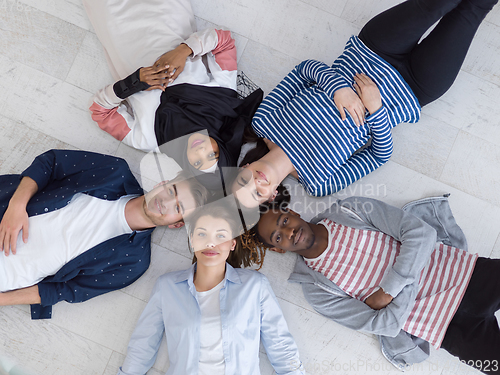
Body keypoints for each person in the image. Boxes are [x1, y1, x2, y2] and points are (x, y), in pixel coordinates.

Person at [232, 0, 498, 207]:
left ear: (243, 168)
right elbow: (379, 156)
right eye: (257, 193)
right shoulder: (318, 184)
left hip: (373, 50)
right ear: (271, 197)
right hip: (415, 88)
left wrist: (339, 88)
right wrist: (376, 110)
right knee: (474, 8)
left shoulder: (264, 121)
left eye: (244, 182)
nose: (256, 182)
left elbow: (303, 70)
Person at [242, 195, 500, 374]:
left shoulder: (350, 210)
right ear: (277, 249)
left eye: (284, 221)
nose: (288, 232)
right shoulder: (317, 291)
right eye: (279, 236)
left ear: (293, 213)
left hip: (468, 274)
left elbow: (422, 234)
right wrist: (412, 270)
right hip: (447, 329)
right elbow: (386, 325)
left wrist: (389, 290)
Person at [0, 149, 208, 319]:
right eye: (171, 191)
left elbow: (65, 291)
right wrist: (17, 205)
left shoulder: (134, 263)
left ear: (176, 225)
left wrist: (3, 300)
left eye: (178, 208)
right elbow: (52, 162)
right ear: (162, 184)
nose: (166, 202)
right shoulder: (114, 171)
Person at [117, 201, 304, 375]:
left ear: (232, 243)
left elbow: (281, 347)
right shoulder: (167, 287)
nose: (211, 243)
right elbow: (143, 346)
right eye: (202, 234)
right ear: (192, 240)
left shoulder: (255, 286)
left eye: (220, 235)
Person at [84, 0, 263, 176]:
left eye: (198, 162)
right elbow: (224, 41)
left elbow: (100, 112)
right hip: (166, 10)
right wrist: (183, 51)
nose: (201, 150)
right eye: (211, 154)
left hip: (117, 23)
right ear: (222, 146)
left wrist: (134, 82)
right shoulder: (221, 96)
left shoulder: (149, 138)